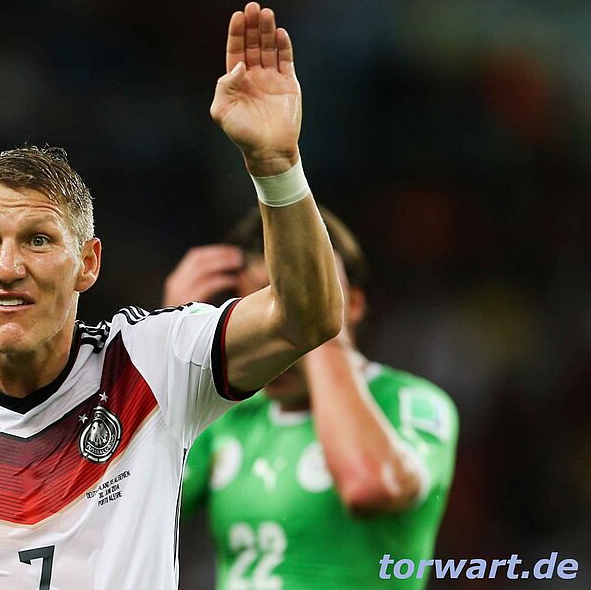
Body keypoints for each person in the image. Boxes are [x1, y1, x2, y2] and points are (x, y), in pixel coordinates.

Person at [0, 2, 344, 590]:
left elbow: (306, 318)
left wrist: (276, 165)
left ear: (88, 264)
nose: (8, 268)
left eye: (38, 239)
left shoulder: (152, 364)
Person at [169, 207, 459, 589]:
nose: (267, 335)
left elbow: (368, 486)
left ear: (353, 304)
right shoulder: (228, 415)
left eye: (285, 311)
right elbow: (127, 506)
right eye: (249, 313)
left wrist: (317, 317)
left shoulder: (411, 402)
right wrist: (176, 344)